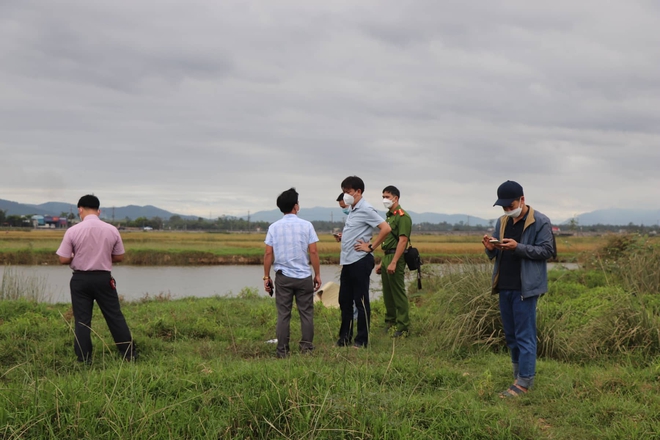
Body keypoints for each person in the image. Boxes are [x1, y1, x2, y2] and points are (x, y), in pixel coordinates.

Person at [482, 181, 554, 397]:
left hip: (526, 287)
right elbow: (497, 254)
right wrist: (490, 249)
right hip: (505, 285)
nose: (507, 210)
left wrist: (518, 247)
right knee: (511, 335)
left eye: (510, 205)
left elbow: (547, 251)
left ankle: (525, 382)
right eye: (503, 207)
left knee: (525, 335)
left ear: (522, 200)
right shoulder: (502, 221)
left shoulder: (540, 221)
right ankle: (518, 376)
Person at [56, 195, 136, 363]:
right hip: (103, 279)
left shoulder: (73, 230)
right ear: (99, 211)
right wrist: (104, 257)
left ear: (80, 209)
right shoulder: (112, 229)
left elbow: (63, 259)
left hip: (80, 280)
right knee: (114, 316)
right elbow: (119, 256)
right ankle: (129, 354)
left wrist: (76, 257)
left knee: (82, 321)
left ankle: (84, 359)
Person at [263, 188, 321, 358]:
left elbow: (268, 254)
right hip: (304, 276)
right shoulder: (307, 225)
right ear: (296, 206)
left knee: (283, 314)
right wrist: (317, 274)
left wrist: (266, 277)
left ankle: (282, 351)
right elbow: (314, 252)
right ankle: (306, 348)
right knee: (306, 313)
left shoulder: (273, 227)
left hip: (283, 277)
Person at [335, 176, 391, 348]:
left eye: (348, 192)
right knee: (344, 300)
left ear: (358, 192)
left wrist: (371, 246)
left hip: (360, 260)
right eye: (344, 192)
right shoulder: (352, 210)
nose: (346, 196)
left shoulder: (366, 209)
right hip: (348, 261)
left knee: (360, 301)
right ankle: (344, 338)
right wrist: (344, 238)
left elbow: (386, 228)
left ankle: (361, 340)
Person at [377, 186, 413, 338]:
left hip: (396, 257)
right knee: (387, 292)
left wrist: (394, 262)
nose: (384, 199)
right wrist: (382, 262)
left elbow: (403, 240)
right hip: (387, 256)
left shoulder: (402, 216)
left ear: (396, 198)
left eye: (387, 196)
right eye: (383, 196)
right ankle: (390, 321)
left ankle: (403, 325)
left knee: (398, 292)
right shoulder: (389, 216)